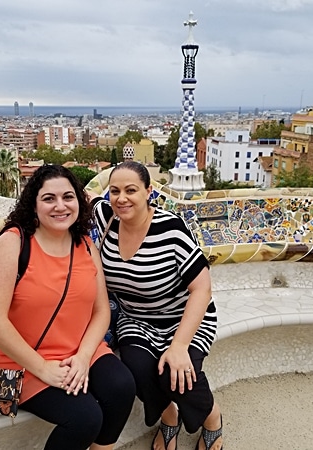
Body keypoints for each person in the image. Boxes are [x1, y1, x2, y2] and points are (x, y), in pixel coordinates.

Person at [0, 164, 136, 450]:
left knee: (121, 387)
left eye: (68, 197)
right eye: (49, 199)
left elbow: (101, 311)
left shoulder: (86, 245)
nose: (60, 206)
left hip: (77, 350)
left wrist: (83, 356)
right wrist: (42, 368)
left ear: (78, 201)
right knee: (85, 418)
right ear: (34, 205)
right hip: (21, 360)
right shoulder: (14, 243)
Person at [90, 161, 223, 450]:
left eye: (131, 190)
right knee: (137, 371)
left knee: (178, 376)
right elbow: (75, 201)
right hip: (136, 320)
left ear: (149, 192)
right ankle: (169, 416)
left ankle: (212, 418)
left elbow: (201, 288)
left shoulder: (170, 230)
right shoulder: (105, 218)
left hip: (182, 318)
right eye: (114, 191)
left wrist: (178, 346)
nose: (121, 198)